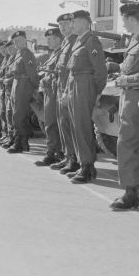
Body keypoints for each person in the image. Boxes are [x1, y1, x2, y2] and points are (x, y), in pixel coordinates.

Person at [109, 2, 139, 210]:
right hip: (129, 96)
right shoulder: (136, 39)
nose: (123, 24)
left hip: (137, 96)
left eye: (124, 20)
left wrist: (126, 80)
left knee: (127, 144)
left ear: (132, 18)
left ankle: (131, 192)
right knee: (135, 146)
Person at [62, 10, 107, 183]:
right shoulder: (77, 42)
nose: (71, 25)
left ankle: (88, 167)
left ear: (85, 23)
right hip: (75, 84)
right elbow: (71, 71)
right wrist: (66, 90)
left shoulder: (91, 41)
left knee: (82, 126)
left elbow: (100, 70)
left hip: (85, 85)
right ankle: (83, 164)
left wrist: (96, 93)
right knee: (75, 126)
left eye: (75, 22)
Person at [52, 13, 80, 175]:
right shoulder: (65, 43)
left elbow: (72, 71)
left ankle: (74, 159)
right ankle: (68, 155)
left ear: (72, 24)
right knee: (63, 124)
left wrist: (66, 91)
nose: (62, 27)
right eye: (60, 25)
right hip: (60, 88)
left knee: (70, 125)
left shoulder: (75, 42)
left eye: (65, 24)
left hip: (69, 90)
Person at [35, 28, 65, 166]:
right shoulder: (54, 53)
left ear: (58, 39)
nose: (47, 42)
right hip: (49, 93)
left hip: (55, 93)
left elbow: (59, 74)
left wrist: (46, 80)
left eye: (50, 39)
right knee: (50, 124)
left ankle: (56, 153)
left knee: (54, 124)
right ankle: (53, 152)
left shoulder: (62, 53)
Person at [8, 31, 40, 153]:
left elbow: (32, 73)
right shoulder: (18, 54)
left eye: (19, 40)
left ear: (25, 40)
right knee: (16, 114)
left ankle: (20, 143)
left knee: (19, 115)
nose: (17, 43)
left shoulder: (27, 54)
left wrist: (35, 88)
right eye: (15, 41)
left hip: (24, 84)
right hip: (16, 83)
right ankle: (21, 142)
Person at [0, 40, 18, 149]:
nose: (9, 50)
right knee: (7, 114)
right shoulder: (10, 58)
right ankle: (9, 136)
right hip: (7, 89)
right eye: (8, 49)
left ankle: (15, 139)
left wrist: (8, 79)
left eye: (11, 48)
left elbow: (19, 74)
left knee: (13, 115)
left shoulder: (17, 57)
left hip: (14, 89)